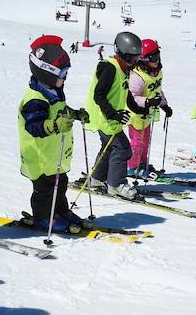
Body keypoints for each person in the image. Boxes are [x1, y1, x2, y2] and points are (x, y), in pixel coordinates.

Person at [18, 35, 87, 232]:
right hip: (40, 157)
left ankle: (61, 211)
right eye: (62, 73)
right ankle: (43, 217)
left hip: (54, 155)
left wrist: (74, 114)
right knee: (45, 190)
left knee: (61, 183)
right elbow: (34, 126)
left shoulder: (53, 91)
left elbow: (59, 113)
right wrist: (56, 126)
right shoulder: (35, 98)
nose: (65, 77)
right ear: (46, 72)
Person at [83, 31, 148, 199]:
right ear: (121, 53)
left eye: (136, 58)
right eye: (131, 57)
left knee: (109, 148)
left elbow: (125, 94)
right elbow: (99, 95)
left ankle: (97, 179)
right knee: (122, 148)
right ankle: (116, 184)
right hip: (105, 118)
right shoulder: (110, 67)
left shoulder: (123, 69)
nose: (134, 61)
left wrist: (140, 109)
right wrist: (113, 114)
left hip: (110, 118)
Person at [126, 38, 172, 178]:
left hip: (147, 114)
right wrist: (148, 101)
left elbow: (157, 90)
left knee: (145, 140)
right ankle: (133, 167)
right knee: (137, 142)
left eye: (158, 56)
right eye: (154, 57)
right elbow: (132, 96)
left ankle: (142, 163)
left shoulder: (156, 72)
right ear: (144, 59)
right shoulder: (137, 76)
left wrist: (164, 105)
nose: (157, 60)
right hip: (136, 114)